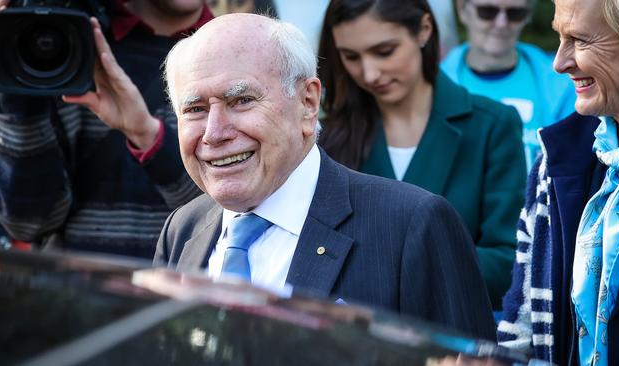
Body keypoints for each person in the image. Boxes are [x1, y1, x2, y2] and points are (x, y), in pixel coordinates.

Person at [155, 12, 496, 339]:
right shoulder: (182, 230)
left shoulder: (412, 226)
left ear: (307, 102)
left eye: (241, 100)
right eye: (195, 109)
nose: (214, 133)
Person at [317, 0, 526, 311]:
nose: (370, 73)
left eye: (384, 51)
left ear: (424, 30)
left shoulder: (492, 126)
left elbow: (511, 266)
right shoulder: (328, 136)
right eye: (351, 57)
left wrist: (404, 259)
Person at [0, 0, 211, 258]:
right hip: (78, 294)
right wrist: (17, 70)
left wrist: (148, 135)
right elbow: (26, 222)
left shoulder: (235, 54)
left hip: (184, 295)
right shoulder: (70, 42)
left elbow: (235, 209)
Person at [497, 0, 619, 364]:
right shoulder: (555, 160)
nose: (559, 62)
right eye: (560, 37)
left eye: (580, 40)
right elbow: (521, 333)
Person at [441, 0, 575, 169]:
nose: (501, 23)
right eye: (487, 11)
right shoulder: (434, 85)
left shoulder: (563, 86)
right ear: (462, 11)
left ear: (528, 16)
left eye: (515, 14)